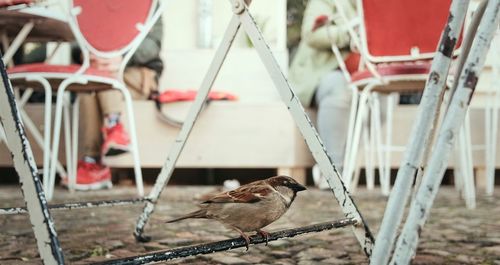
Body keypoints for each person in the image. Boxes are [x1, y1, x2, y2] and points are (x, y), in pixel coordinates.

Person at [63, 20, 164, 190]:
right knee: (91, 79)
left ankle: (93, 162)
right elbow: (76, 38)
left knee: (100, 76)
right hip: (97, 70)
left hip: (137, 74)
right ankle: (113, 131)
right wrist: (87, 54)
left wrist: (120, 56)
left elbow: (153, 44)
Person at [288, 0, 357, 187]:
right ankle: (333, 171)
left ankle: (345, 165)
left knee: (379, 100)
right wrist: (351, 35)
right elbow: (311, 34)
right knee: (338, 87)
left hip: (367, 75)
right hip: (323, 73)